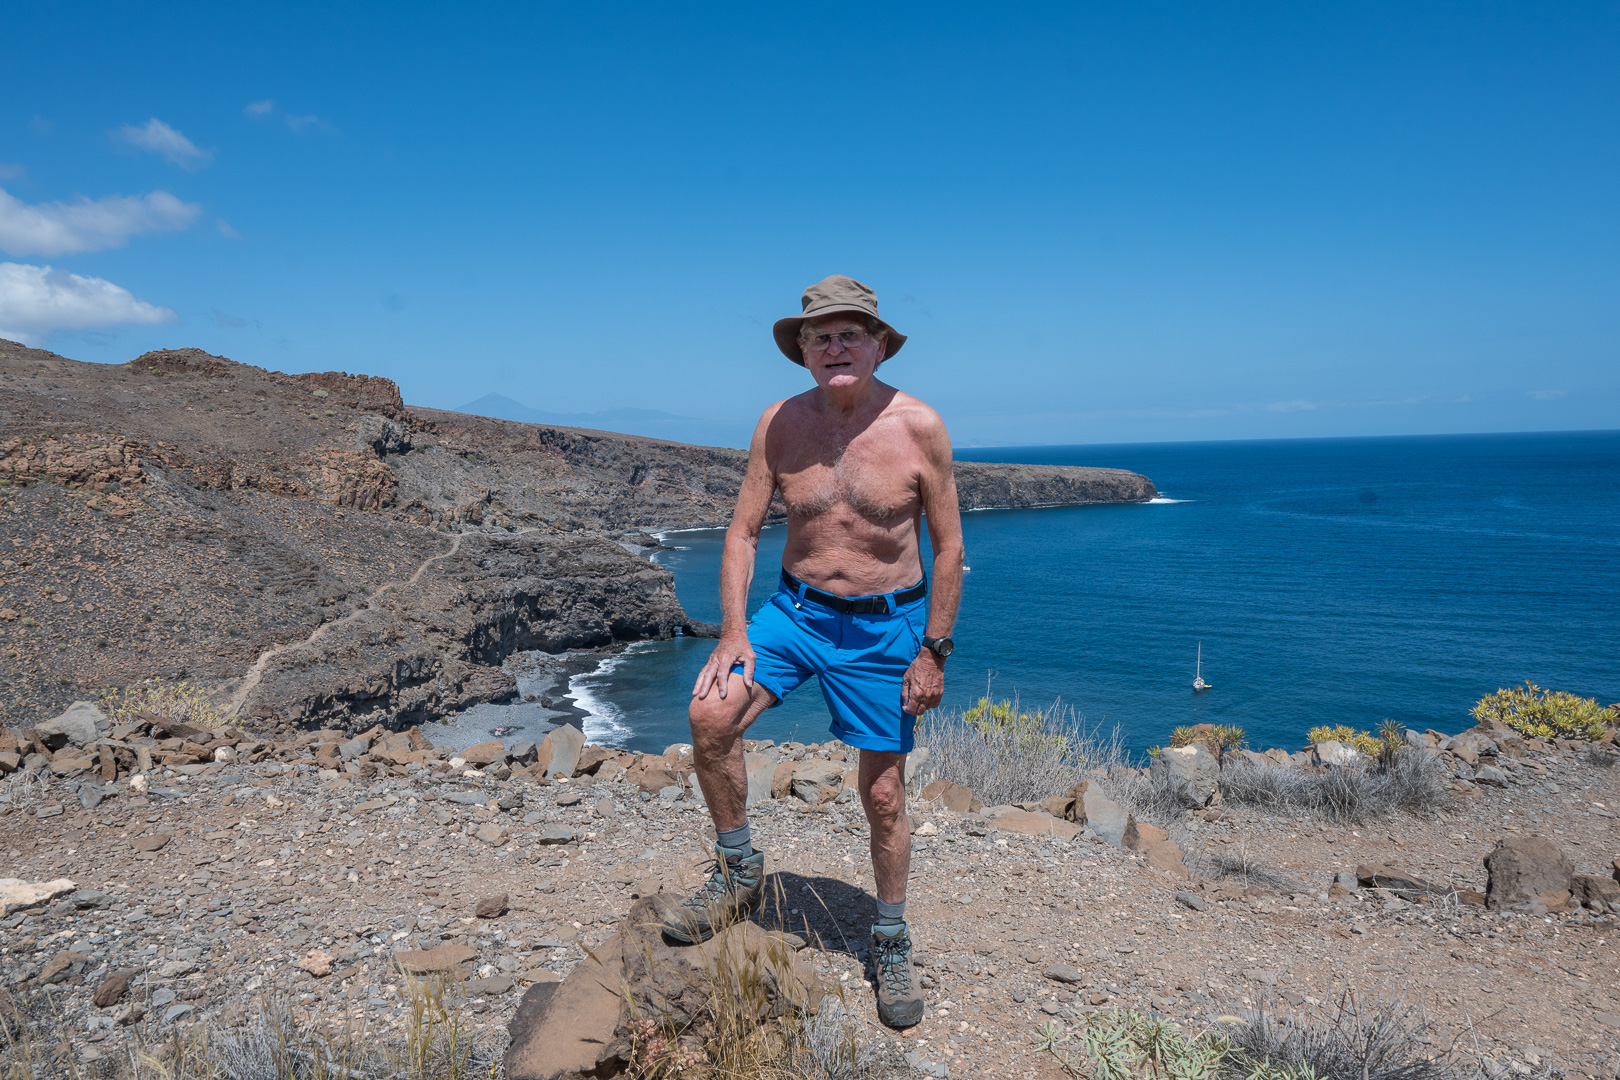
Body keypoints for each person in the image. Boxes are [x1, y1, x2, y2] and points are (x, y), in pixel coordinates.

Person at [655, 274, 964, 1029]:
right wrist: (733, 632)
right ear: (803, 351)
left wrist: (933, 653)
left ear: (879, 345)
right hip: (796, 613)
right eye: (819, 336)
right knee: (710, 715)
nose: (834, 346)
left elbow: (950, 549)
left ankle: (889, 936)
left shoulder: (920, 426)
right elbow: (741, 533)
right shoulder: (780, 423)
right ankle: (738, 870)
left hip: (886, 627)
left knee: (883, 795)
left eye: (849, 333)